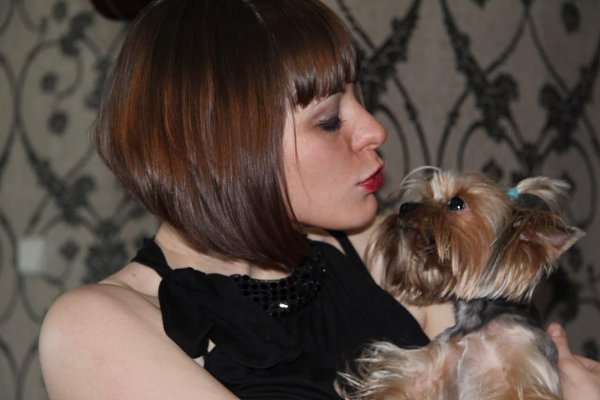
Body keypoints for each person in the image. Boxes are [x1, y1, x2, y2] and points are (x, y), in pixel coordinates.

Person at [39, 0, 600, 399]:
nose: (375, 130)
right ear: (223, 148)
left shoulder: (372, 247)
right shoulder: (98, 328)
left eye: (361, 100)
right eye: (330, 120)